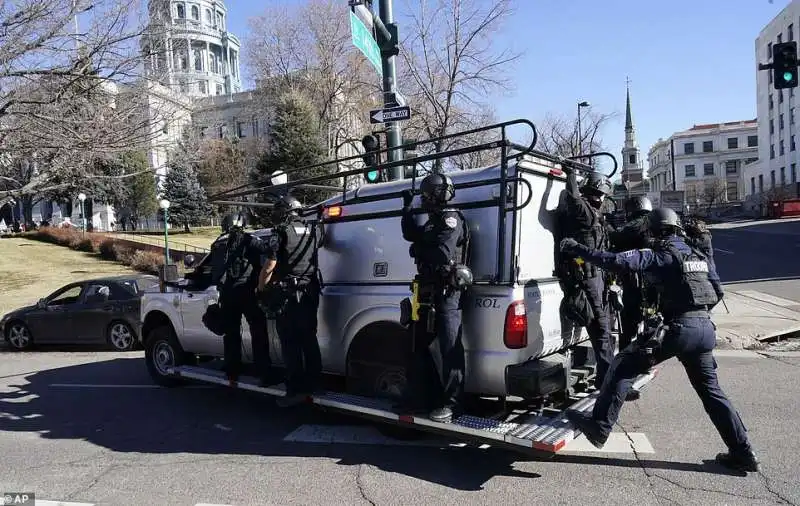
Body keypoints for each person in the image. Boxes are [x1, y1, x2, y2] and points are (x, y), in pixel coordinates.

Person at [559, 208, 760, 473]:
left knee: (622, 365)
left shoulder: (662, 253)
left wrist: (578, 249)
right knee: (712, 394)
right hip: (704, 330)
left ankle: (599, 426)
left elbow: (617, 261)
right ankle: (743, 452)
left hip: (678, 328)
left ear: (656, 230)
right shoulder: (698, 254)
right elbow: (717, 291)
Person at [399, 172, 470, 423]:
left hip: (447, 291)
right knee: (419, 345)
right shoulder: (434, 220)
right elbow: (412, 235)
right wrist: (407, 209)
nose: (424, 199)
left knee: (450, 348)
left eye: (425, 194)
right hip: (428, 289)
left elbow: (442, 253)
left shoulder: (450, 219)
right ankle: (422, 398)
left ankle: (453, 404)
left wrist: (418, 248)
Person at [259, 195, 322, 408]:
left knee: (290, 343)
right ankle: (314, 383)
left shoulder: (281, 232)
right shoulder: (313, 229)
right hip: (310, 292)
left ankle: (295, 389)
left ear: (285, 211)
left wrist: (261, 286)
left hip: (289, 294)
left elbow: (270, 265)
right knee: (309, 339)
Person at [558, 170, 614, 389]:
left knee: (604, 327)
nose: (600, 199)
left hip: (598, 278)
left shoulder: (595, 215)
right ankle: (608, 379)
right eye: (597, 194)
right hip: (587, 278)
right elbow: (572, 196)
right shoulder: (583, 210)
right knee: (600, 327)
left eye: (602, 195)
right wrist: (570, 173)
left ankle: (606, 376)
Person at [217, 213, 275, 386]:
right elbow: (271, 252)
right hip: (248, 292)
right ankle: (263, 370)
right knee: (258, 332)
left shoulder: (219, 243)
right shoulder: (250, 240)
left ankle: (232, 370)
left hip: (227, 294)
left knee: (231, 334)